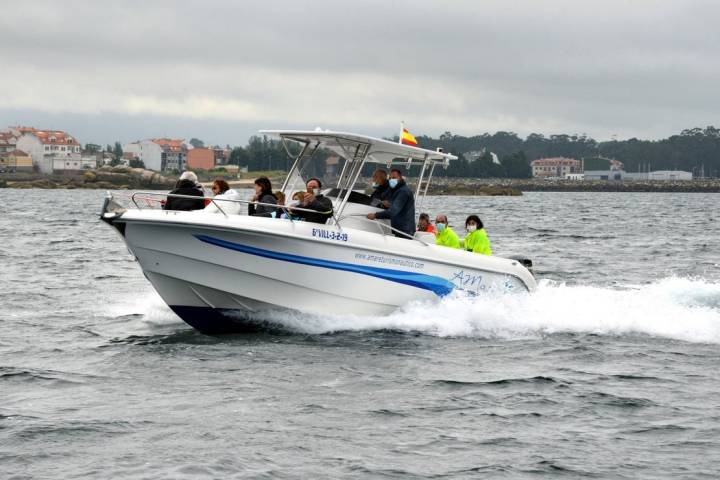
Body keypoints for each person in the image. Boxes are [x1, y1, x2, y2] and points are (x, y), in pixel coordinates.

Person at [367, 169, 415, 238]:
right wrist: (390, 204)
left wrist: (375, 215)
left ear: (400, 178)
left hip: (404, 230)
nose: (392, 180)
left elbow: (393, 211)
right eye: (390, 178)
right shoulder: (396, 190)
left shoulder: (403, 192)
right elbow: (396, 206)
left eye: (394, 178)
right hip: (400, 229)